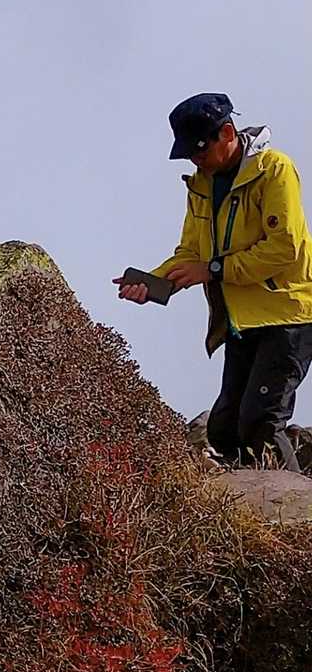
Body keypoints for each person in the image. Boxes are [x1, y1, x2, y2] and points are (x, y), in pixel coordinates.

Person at [114, 92, 312, 471]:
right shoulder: (201, 186)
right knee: (223, 430)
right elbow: (191, 253)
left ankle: (292, 502)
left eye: (200, 149)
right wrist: (156, 282)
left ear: (227, 133)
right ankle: (251, 496)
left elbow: (284, 248)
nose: (195, 159)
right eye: (189, 152)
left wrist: (215, 269)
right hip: (241, 319)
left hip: (289, 314)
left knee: (261, 422)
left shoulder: (274, 170)